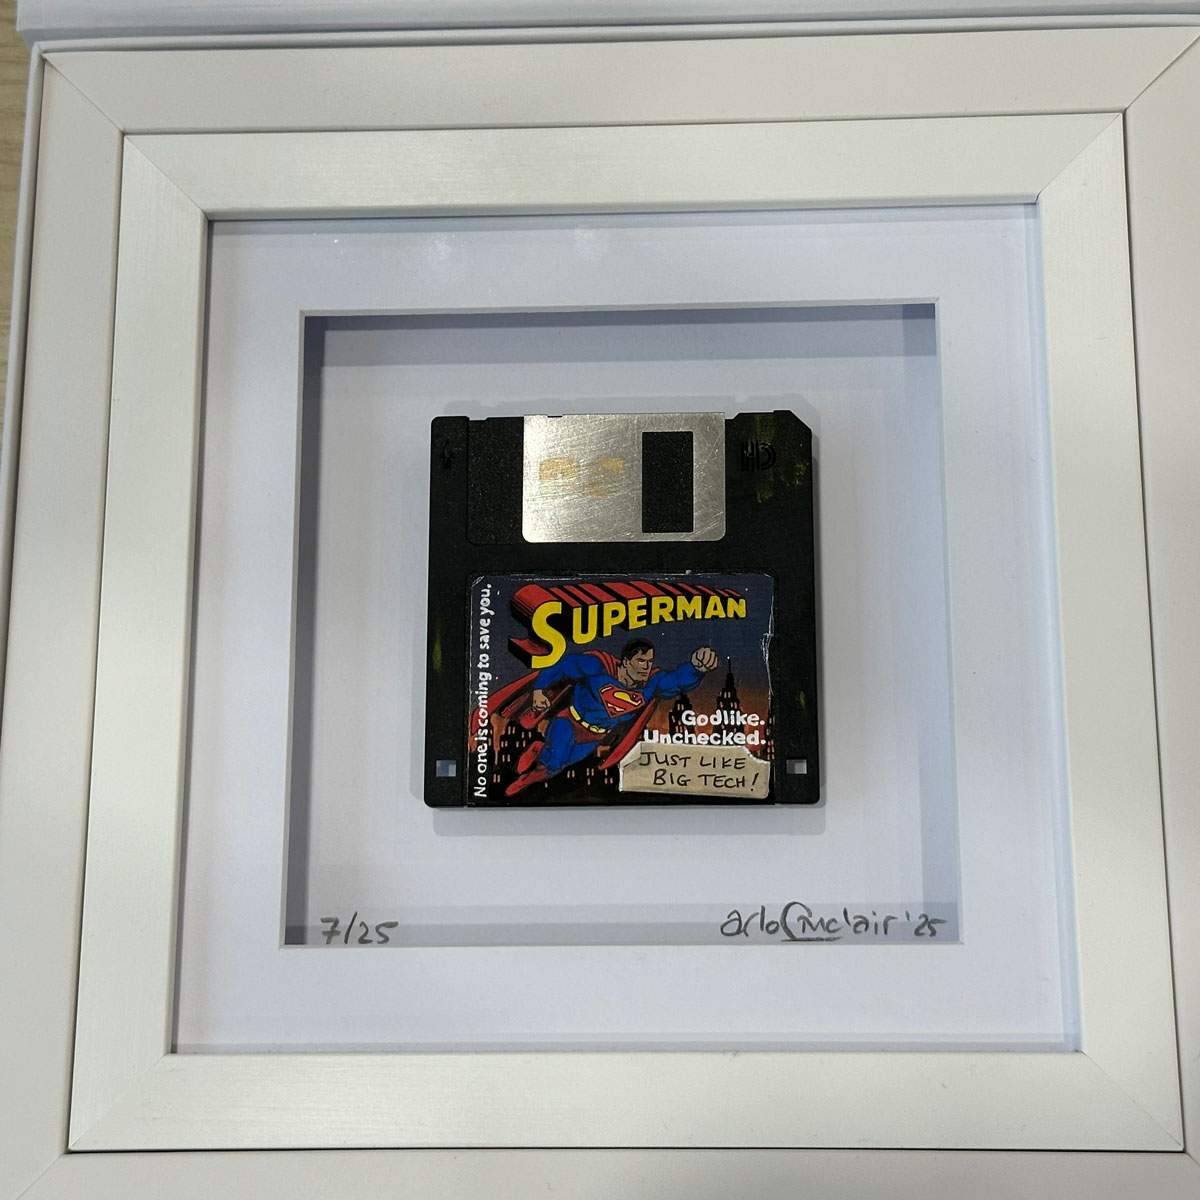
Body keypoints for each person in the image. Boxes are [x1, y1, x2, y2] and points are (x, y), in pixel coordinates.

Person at [504, 638, 719, 797]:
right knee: (556, 759)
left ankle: (534, 760)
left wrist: (696, 668)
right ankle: (527, 775)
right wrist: (539, 689)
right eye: (641, 660)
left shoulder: (651, 683)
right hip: (569, 722)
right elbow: (563, 666)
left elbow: (676, 681)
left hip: (594, 737)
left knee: (555, 768)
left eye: (649, 661)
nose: (646, 667)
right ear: (626, 661)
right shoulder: (599, 666)